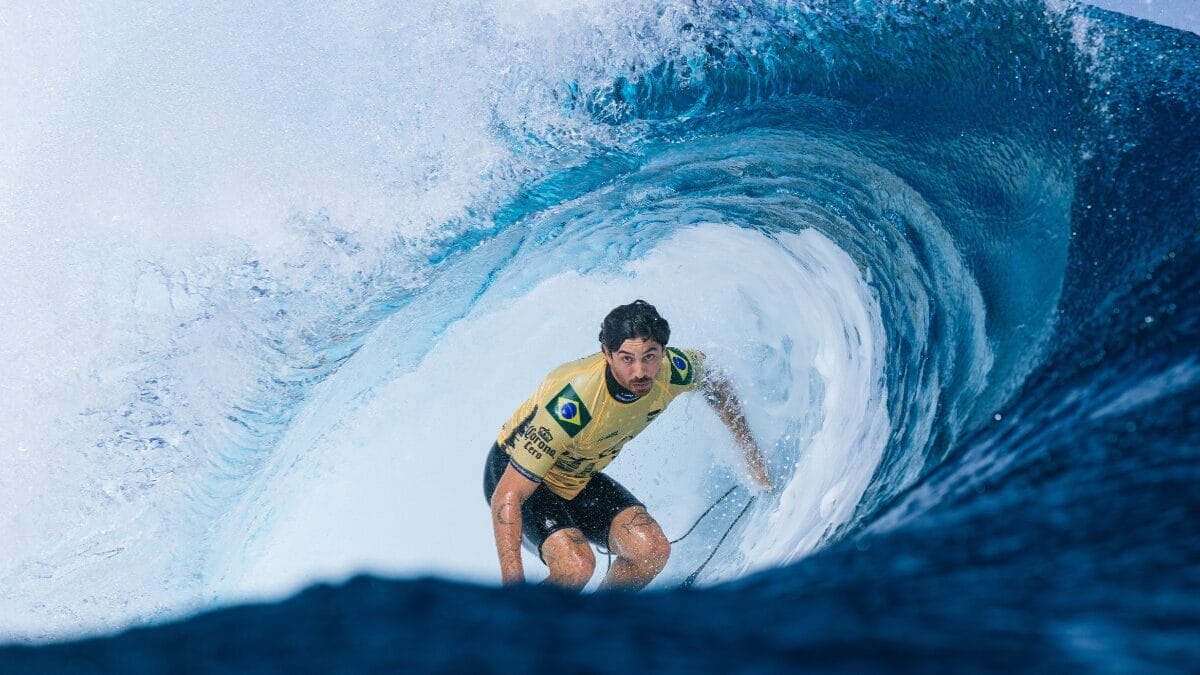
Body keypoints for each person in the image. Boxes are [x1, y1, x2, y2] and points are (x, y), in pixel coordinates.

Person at [482, 299, 772, 591]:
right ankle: (515, 627)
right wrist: (513, 594)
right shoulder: (574, 402)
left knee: (651, 551)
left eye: (650, 356)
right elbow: (507, 495)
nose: (640, 372)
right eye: (626, 359)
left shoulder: (674, 369)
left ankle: (595, 626)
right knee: (576, 567)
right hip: (515, 478)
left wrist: (751, 455)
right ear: (607, 354)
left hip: (577, 478)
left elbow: (715, 381)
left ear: (663, 350)